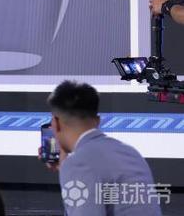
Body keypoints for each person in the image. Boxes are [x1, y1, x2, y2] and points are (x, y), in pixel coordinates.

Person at [43, 80, 162, 216]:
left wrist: (68, 167)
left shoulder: (78, 163)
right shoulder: (131, 153)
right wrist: (64, 166)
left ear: (56, 123)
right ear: (98, 121)